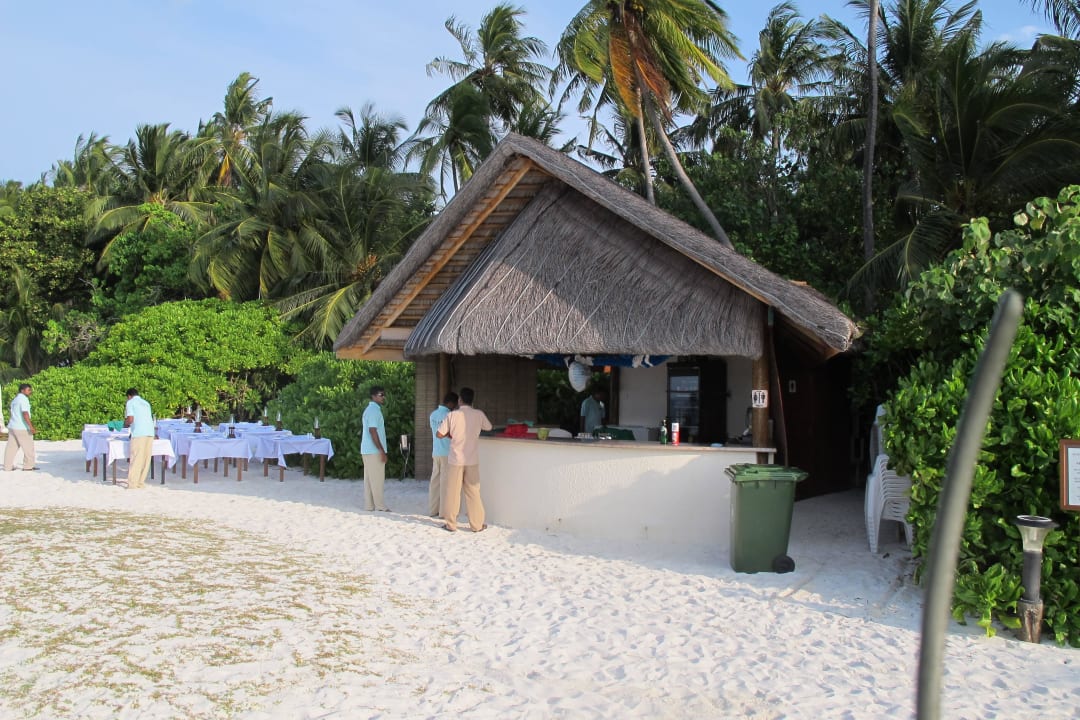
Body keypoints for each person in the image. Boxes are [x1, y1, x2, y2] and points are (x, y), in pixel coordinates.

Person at [436, 387, 492, 532]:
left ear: (460, 400)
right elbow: (489, 427)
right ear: (472, 400)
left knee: (453, 492)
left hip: (455, 460)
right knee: (473, 492)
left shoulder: (453, 415)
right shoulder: (479, 414)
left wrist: (451, 435)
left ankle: (451, 524)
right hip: (472, 459)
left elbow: (439, 434)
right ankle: (477, 525)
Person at [428, 391, 459, 517]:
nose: (456, 406)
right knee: (445, 482)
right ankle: (443, 512)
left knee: (435, 481)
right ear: (451, 403)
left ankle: (432, 509)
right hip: (447, 452)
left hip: (436, 451)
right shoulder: (450, 416)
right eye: (455, 404)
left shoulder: (433, 414)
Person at [360, 385, 390, 512]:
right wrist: (381, 451)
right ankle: (380, 506)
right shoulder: (373, 411)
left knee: (369, 479)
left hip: (367, 450)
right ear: (373, 396)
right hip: (373, 451)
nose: (383, 397)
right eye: (380, 395)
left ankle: (369, 505)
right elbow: (373, 431)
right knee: (377, 479)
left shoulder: (370, 410)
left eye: (384, 394)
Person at [123, 388, 155, 489]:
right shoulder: (146, 403)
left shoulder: (130, 403)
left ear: (129, 396)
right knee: (145, 459)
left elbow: (130, 419)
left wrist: (124, 424)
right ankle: (140, 482)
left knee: (136, 458)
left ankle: (132, 483)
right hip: (150, 432)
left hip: (138, 433)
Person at [4, 384, 36, 471]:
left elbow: (11, 413)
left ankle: (7, 466)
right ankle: (28, 466)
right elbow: (25, 414)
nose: (30, 392)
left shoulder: (15, 400)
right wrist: (31, 427)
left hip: (12, 426)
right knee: (28, 447)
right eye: (28, 390)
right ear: (22, 390)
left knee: (11, 448)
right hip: (22, 427)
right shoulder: (23, 399)